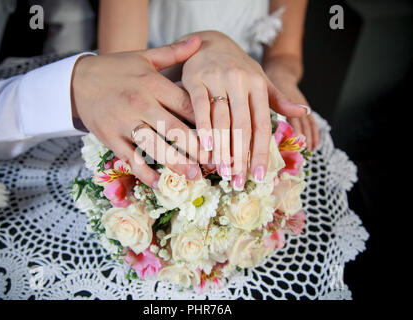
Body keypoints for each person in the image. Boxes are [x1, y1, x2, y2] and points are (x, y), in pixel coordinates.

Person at [98, 0, 319, 189]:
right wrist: (209, 44)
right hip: (159, 96)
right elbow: (123, 68)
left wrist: (281, 82)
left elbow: (284, 54)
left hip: (250, 95)